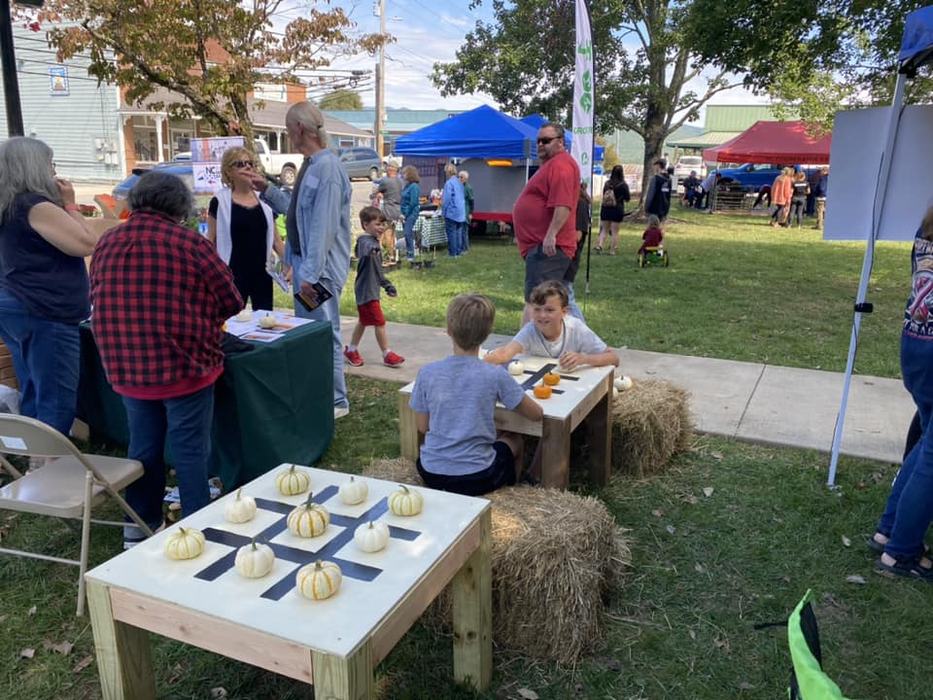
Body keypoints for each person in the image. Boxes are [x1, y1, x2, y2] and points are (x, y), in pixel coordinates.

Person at [90, 172, 243, 548]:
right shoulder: (190, 244)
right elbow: (233, 302)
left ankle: (138, 528)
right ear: (179, 208)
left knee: (142, 449)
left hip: (127, 367)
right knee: (190, 450)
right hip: (184, 366)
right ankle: (194, 531)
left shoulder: (108, 242)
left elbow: (96, 293)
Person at [249, 101, 353, 419]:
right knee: (312, 332)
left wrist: (308, 273)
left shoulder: (327, 169)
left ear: (300, 129)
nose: (286, 133)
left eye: (287, 127)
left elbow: (322, 228)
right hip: (308, 269)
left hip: (317, 273)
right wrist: (266, 188)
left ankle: (336, 401)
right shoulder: (311, 164)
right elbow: (297, 210)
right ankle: (320, 395)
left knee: (323, 333)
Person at [0, 137, 100, 436]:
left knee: (32, 384)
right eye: (49, 163)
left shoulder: (8, 205)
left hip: (15, 302)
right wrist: (70, 203)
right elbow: (85, 243)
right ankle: (48, 466)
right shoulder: (35, 205)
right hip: (44, 309)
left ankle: (32, 459)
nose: (52, 170)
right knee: (55, 395)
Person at [410, 294, 543, 495]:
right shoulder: (495, 374)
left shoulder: (427, 372)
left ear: (448, 329)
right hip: (478, 476)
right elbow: (536, 414)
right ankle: (511, 491)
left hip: (430, 472)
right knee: (515, 440)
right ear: (487, 333)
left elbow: (422, 426)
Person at [871, 205, 933, 582]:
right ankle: (901, 550)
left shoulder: (925, 228)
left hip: (915, 343)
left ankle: (888, 530)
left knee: (926, 446)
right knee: (931, 459)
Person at [512, 123, 580, 322]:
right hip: (546, 246)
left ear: (560, 142)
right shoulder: (552, 165)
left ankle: (525, 347)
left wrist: (551, 235)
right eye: (538, 141)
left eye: (546, 140)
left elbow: (563, 204)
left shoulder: (561, 165)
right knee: (562, 299)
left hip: (549, 248)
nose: (540, 144)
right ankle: (582, 341)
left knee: (536, 302)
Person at [207, 147, 285, 311]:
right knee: (232, 323)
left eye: (250, 163)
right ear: (229, 172)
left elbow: (276, 241)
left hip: (262, 273)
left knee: (265, 322)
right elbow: (211, 239)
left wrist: (288, 263)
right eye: (240, 164)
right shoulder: (220, 201)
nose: (248, 167)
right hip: (232, 273)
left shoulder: (264, 201)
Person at [484, 280, 619, 371]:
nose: (542, 316)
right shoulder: (531, 329)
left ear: (564, 312)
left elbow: (613, 358)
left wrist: (583, 359)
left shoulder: (576, 328)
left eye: (549, 310)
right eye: (537, 309)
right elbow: (505, 353)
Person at [343, 206, 404, 368]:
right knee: (380, 322)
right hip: (366, 292)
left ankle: (351, 349)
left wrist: (386, 285)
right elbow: (363, 250)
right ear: (365, 225)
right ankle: (387, 354)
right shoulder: (365, 242)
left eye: (383, 224)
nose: (382, 227)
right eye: (377, 224)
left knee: (363, 321)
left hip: (370, 289)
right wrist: (372, 249)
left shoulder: (375, 243)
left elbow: (377, 270)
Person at [563, 182, 591, 320]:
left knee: (566, 294)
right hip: (564, 256)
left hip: (570, 257)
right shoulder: (573, 204)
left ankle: (583, 331)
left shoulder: (580, 205)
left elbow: (577, 235)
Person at [595, 164, 630, 255]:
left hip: (606, 208)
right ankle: (612, 250)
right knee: (615, 231)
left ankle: (600, 245)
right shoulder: (623, 185)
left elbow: (604, 194)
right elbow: (627, 198)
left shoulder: (607, 183)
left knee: (604, 230)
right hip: (617, 209)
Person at [376, 162, 402, 264]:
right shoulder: (400, 181)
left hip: (388, 210)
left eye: (387, 167)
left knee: (386, 233)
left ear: (391, 169)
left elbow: (377, 191)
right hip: (397, 210)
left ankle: (389, 256)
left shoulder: (385, 181)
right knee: (393, 234)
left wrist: (377, 194)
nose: (386, 169)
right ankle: (392, 255)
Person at [442, 163, 467, 257]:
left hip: (452, 212)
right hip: (461, 211)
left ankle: (452, 253)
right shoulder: (460, 182)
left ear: (447, 172)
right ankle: (458, 252)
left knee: (451, 233)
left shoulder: (449, 183)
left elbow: (447, 199)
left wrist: (443, 212)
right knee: (458, 232)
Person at [400, 165, 421, 262]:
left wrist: (406, 214)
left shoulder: (414, 187)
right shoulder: (406, 186)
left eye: (404, 173)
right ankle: (409, 253)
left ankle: (411, 254)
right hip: (404, 213)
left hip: (411, 213)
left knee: (408, 233)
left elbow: (413, 203)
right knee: (406, 234)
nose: (402, 175)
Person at [459, 170, 474, 252]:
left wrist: (471, 213)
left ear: (466, 178)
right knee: (460, 231)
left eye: (461, 177)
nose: (460, 178)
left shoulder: (468, 188)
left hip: (466, 211)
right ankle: (461, 247)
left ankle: (465, 248)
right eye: (459, 177)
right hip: (459, 211)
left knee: (464, 230)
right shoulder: (459, 186)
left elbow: (472, 201)